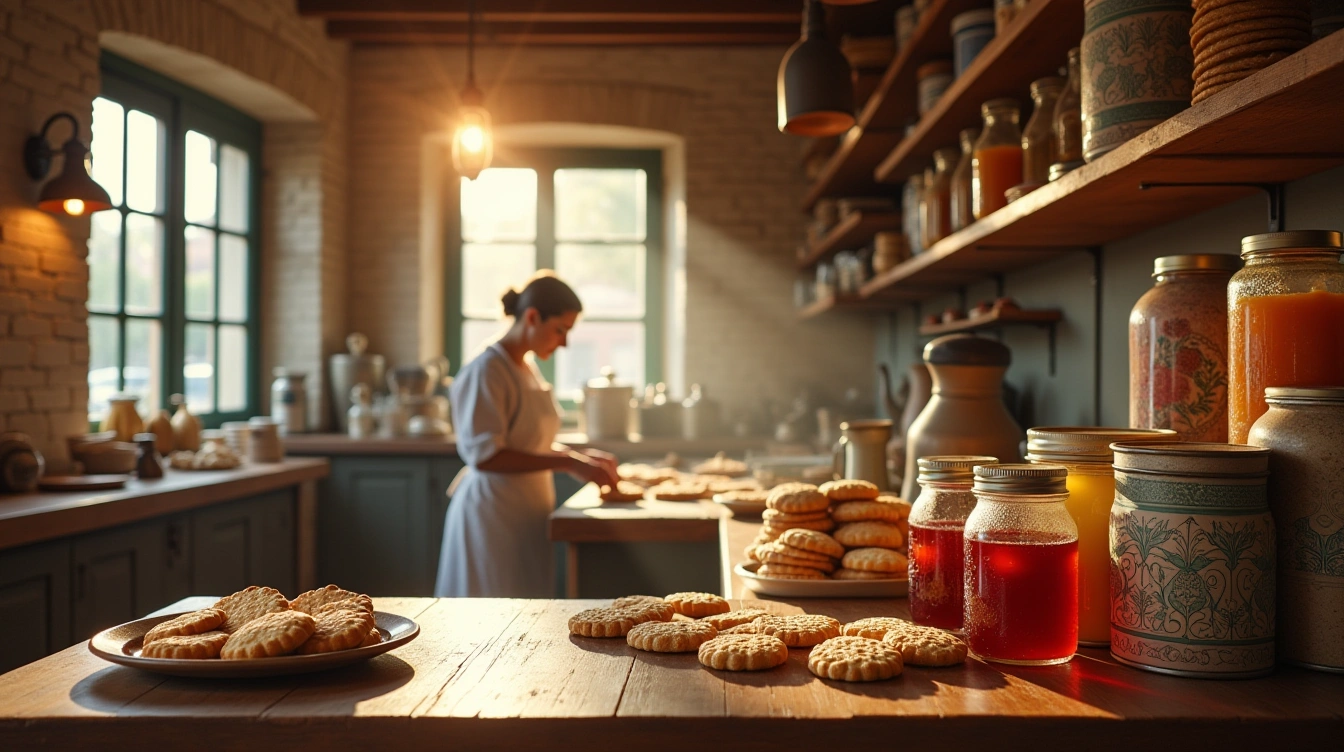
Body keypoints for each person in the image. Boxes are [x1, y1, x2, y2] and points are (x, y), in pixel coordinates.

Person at [434, 272, 620, 597]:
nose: (564, 342)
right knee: (491, 614)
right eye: (560, 330)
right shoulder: (487, 370)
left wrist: (583, 457)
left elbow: (529, 441)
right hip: (492, 516)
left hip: (525, 513)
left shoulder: (525, 366)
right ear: (533, 317)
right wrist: (568, 462)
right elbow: (487, 456)